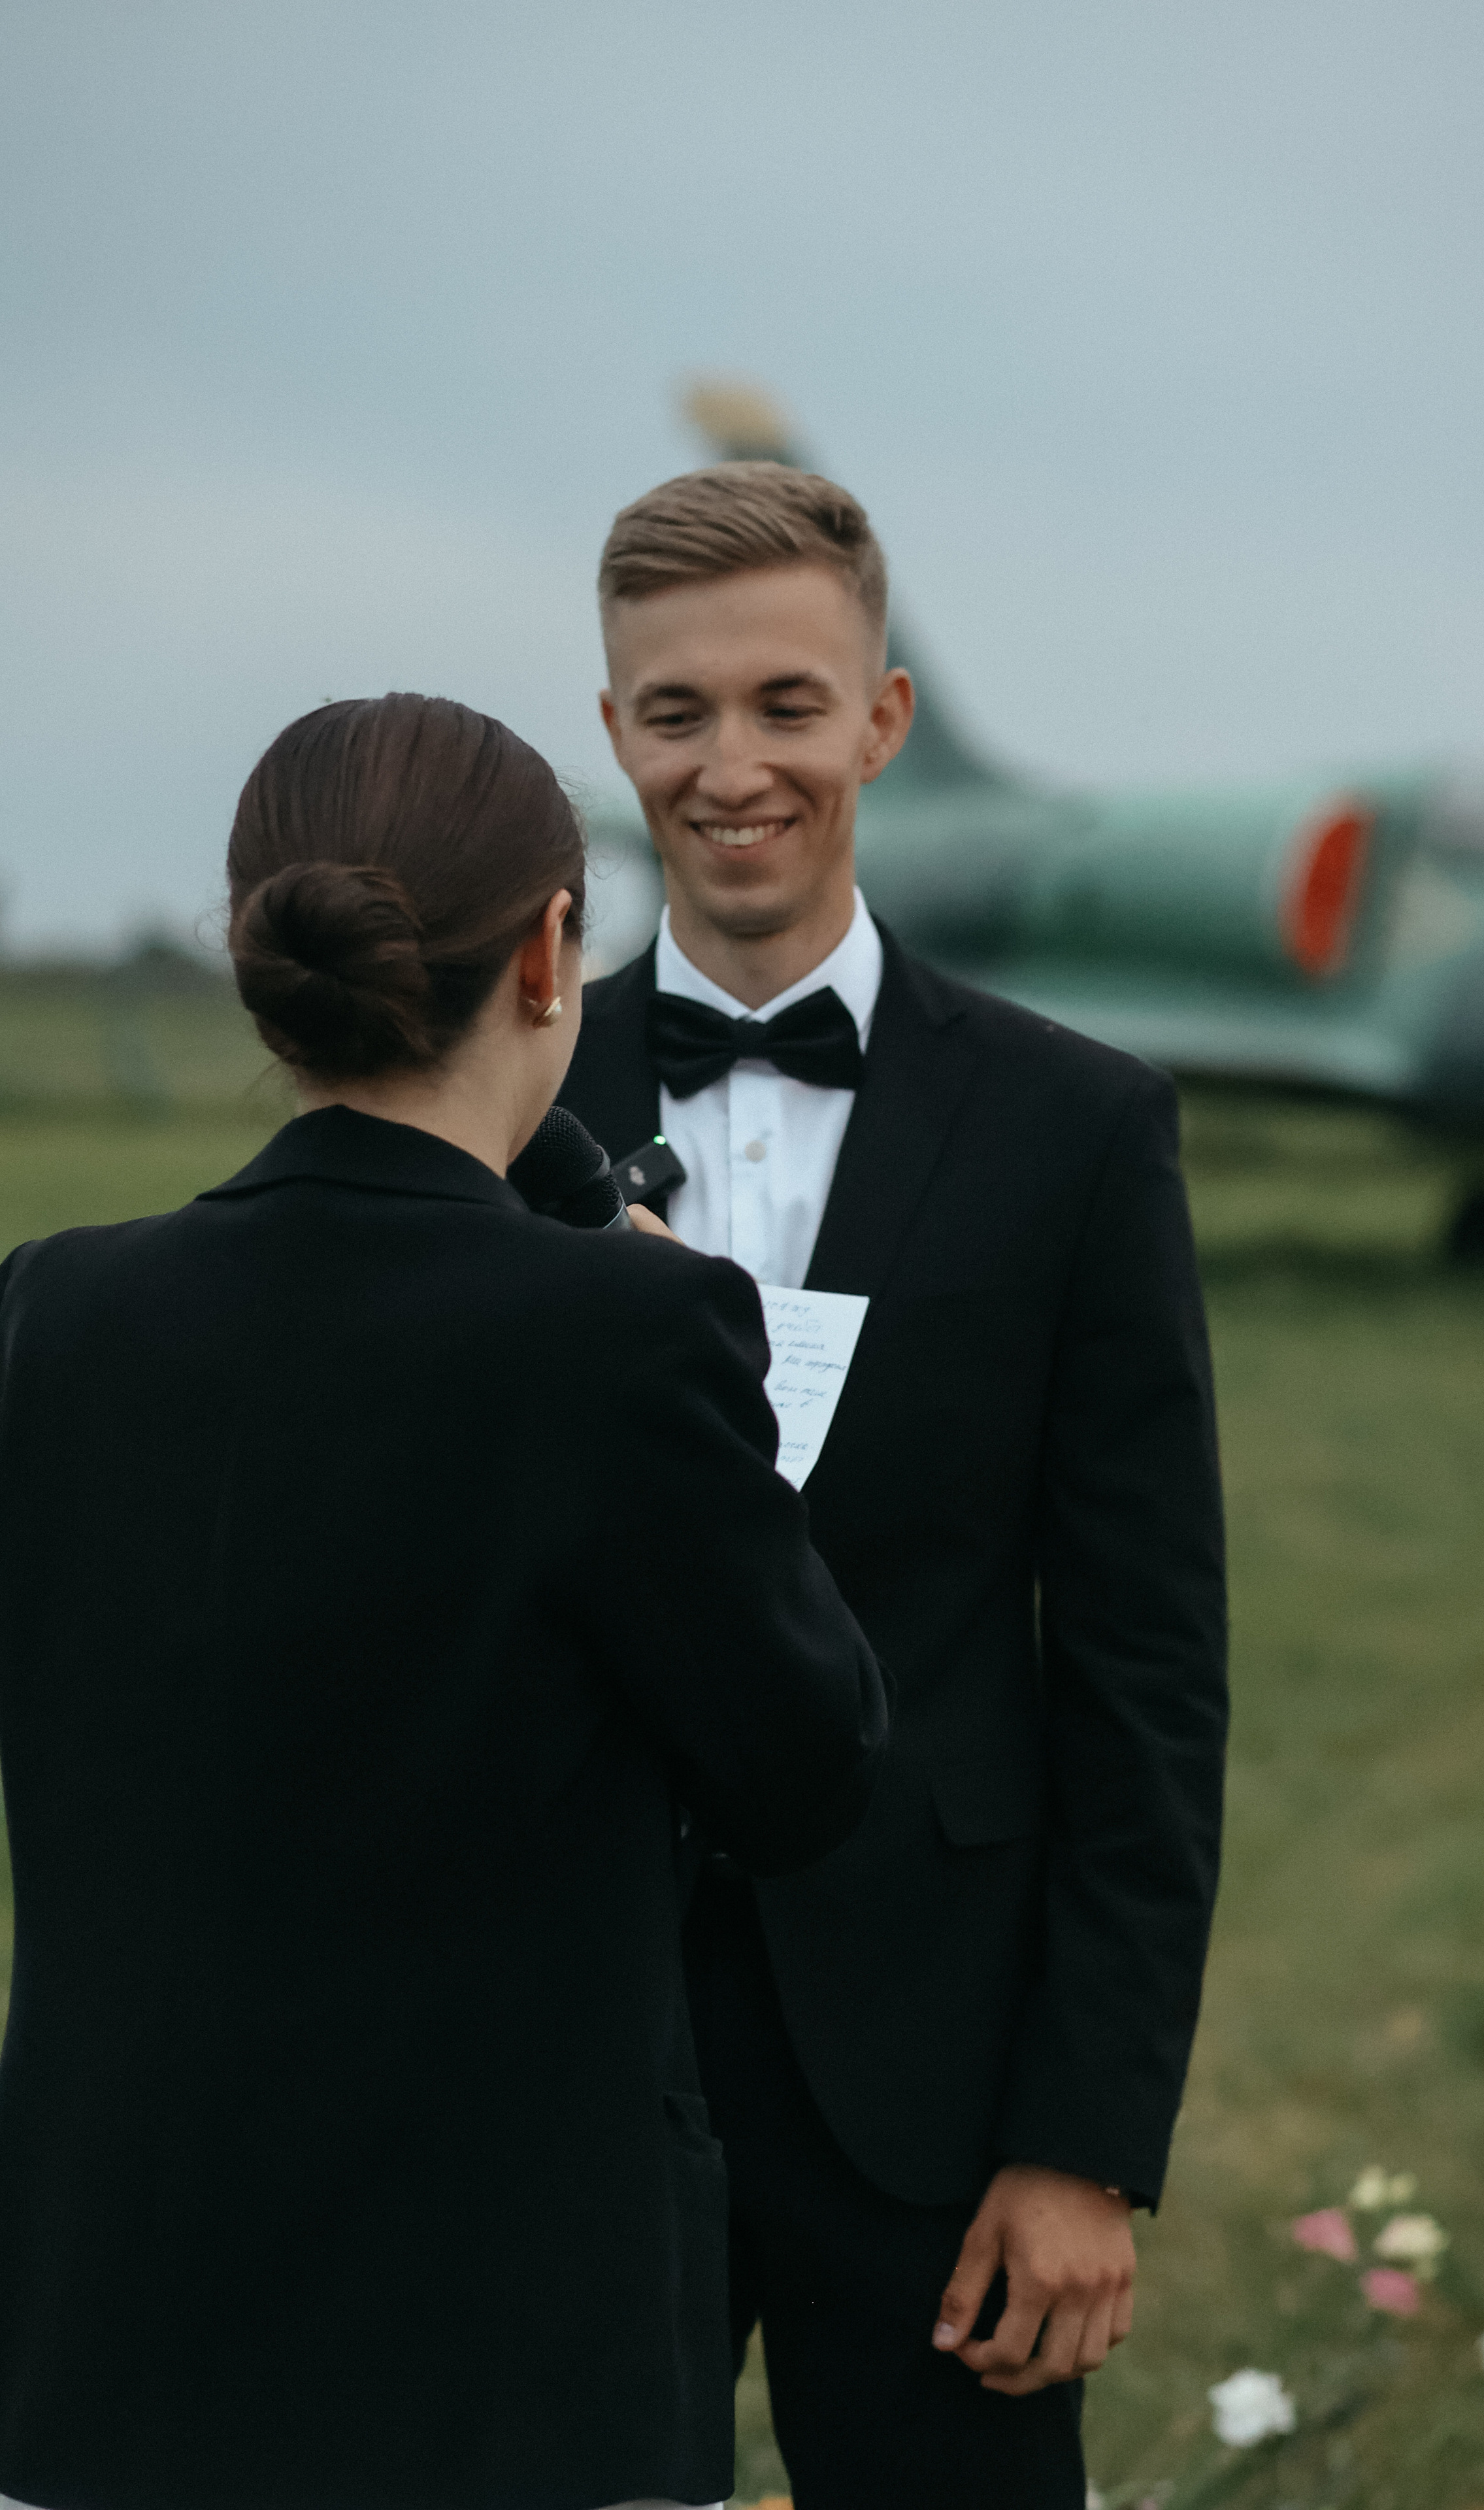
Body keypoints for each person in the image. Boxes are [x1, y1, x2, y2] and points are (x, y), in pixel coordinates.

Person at [0, 693, 889, 2510]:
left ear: (261, 968)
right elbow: (808, 1773)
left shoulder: (49, 1315)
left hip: (107, 2334)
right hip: (512, 2357)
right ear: (556, 950)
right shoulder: (627, 1339)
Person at [529, 465, 1230, 2510]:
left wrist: (1083, 2138)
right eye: (676, 715)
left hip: (940, 2093)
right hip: (565, 2065)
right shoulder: (499, 1109)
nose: (732, 766)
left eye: (785, 705)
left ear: (884, 721)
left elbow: (1145, 1668)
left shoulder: (1080, 1131)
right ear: (612, 736)